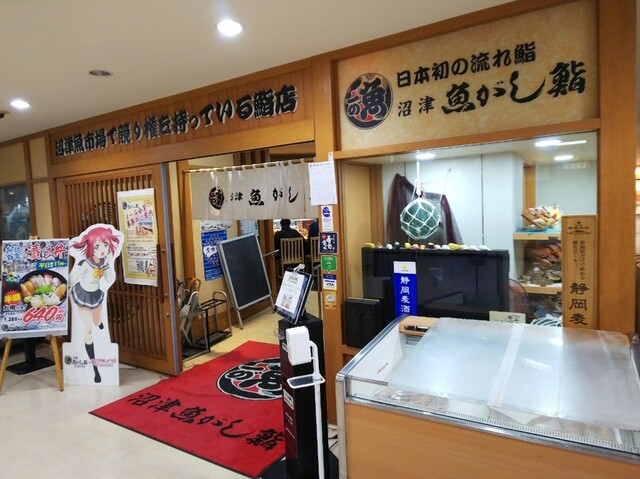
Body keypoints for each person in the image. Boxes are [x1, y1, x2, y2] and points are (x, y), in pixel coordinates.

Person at [69, 226, 121, 383]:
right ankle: (95, 370)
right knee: (88, 330)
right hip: (83, 295)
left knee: (97, 322)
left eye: (105, 245)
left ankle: (99, 323)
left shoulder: (104, 263)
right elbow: (74, 277)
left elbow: (109, 278)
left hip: (96, 295)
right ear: (91, 247)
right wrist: (64, 287)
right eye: (97, 246)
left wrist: (107, 265)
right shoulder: (85, 263)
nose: (102, 249)